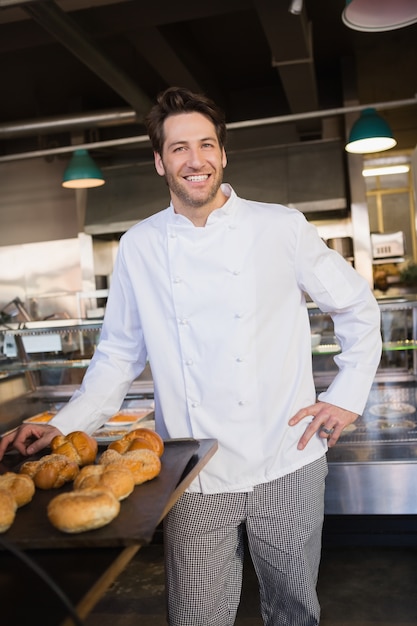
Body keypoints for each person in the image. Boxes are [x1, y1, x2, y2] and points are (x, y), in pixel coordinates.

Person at [0, 87, 382, 626]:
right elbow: (116, 358)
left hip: (286, 457)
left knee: (294, 609)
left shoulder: (281, 227)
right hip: (195, 470)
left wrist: (344, 397)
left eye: (206, 145)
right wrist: (60, 426)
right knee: (197, 616)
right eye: (179, 148)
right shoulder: (140, 246)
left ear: (222, 154)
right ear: (160, 162)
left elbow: (359, 308)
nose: (195, 160)